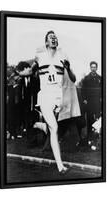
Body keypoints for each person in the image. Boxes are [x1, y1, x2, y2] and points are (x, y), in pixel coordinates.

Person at [34, 31, 80, 173]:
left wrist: (68, 68)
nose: (54, 39)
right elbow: (30, 70)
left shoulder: (63, 56)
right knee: (54, 128)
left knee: (53, 127)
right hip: (45, 96)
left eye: (55, 37)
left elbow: (73, 78)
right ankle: (60, 166)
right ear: (46, 43)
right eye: (50, 37)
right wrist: (22, 72)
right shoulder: (39, 56)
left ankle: (41, 125)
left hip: (58, 98)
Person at [81, 61, 101, 148]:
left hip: (97, 103)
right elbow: (82, 90)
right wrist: (84, 99)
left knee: (97, 121)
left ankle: (95, 140)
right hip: (89, 103)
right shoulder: (86, 78)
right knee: (89, 122)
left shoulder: (100, 78)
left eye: (95, 67)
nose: (93, 69)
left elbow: (103, 90)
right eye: (92, 67)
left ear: (97, 68)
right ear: (90, 68)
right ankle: (89, 139)